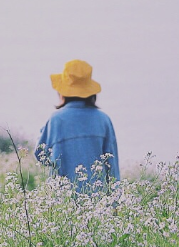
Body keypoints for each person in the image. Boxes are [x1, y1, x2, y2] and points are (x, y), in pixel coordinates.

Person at [35, 59, 120, 191]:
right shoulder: (103, 120)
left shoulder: (56, 120)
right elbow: (112, 167)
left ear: (62, 91)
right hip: (98, 203)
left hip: (62, 202)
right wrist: (115, 202)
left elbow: (40, 155)